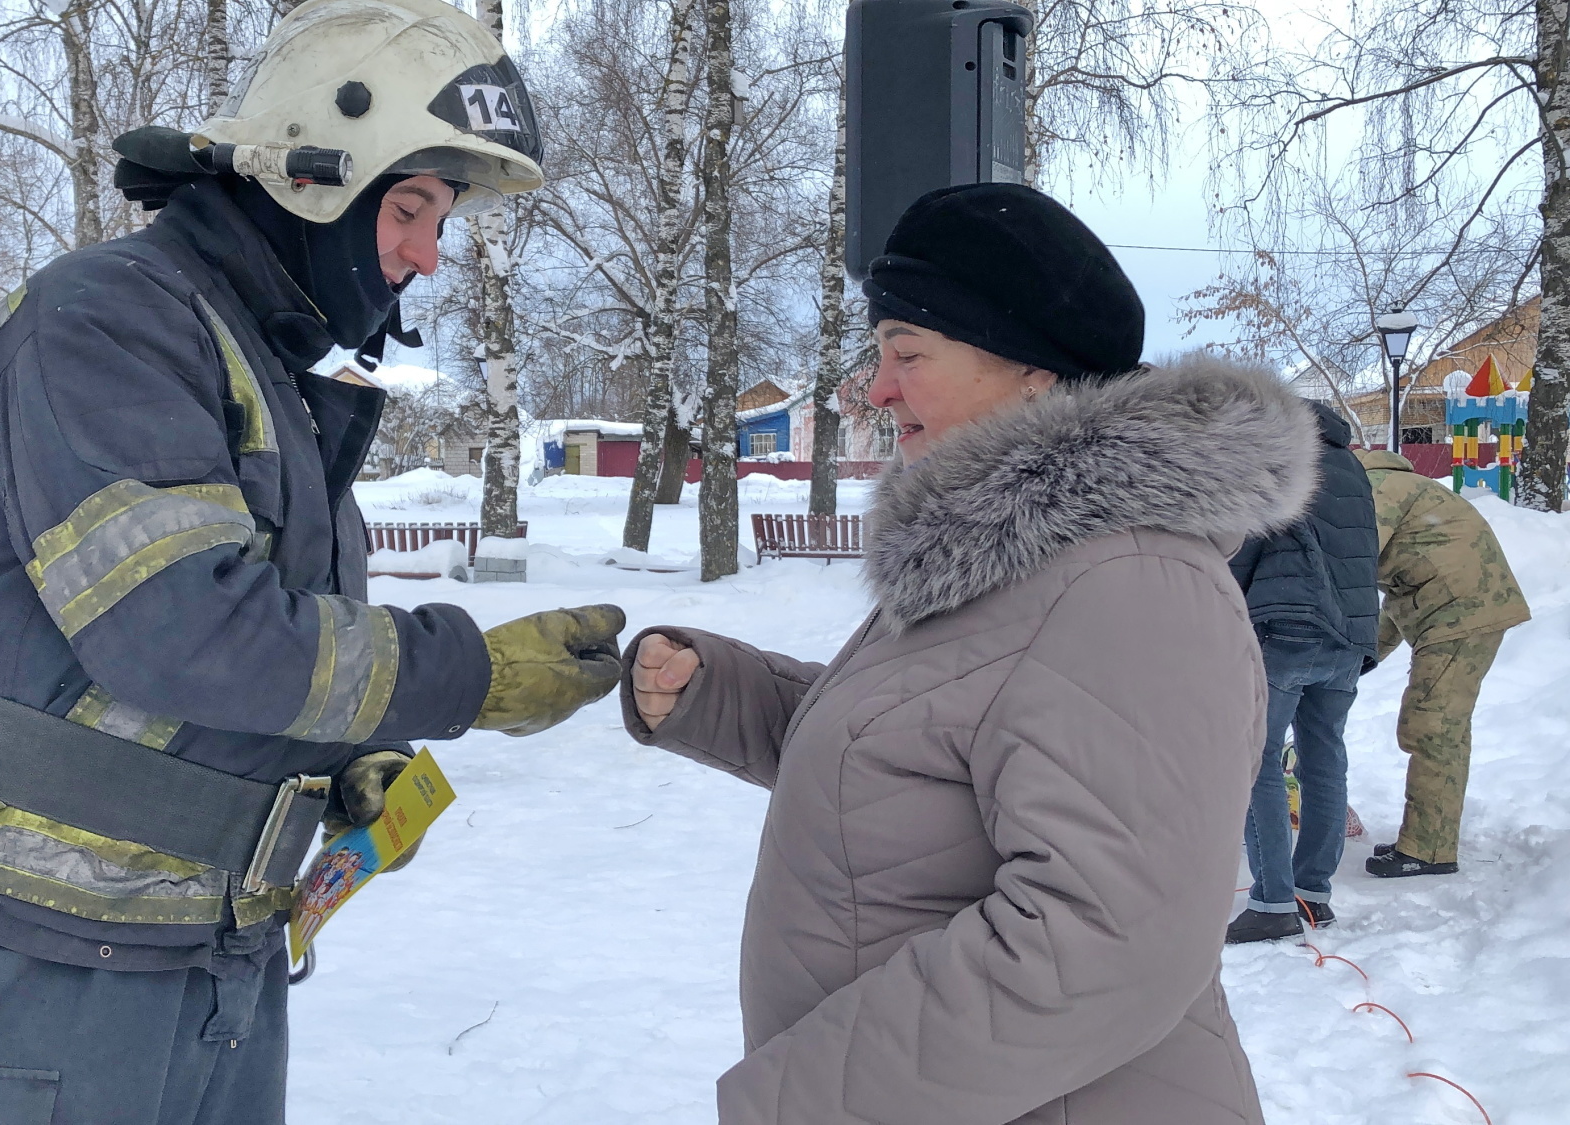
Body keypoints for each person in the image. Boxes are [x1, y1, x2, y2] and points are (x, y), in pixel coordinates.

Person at [0, 2, 624, 1121]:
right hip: (20, 967)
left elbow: (254, 648)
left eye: (438, 220)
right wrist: (470, 676)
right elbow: (183, 633)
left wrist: (342, 755)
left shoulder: (260, 366)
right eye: (410, 210)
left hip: (198, 959)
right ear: (314, 174)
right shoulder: (105, 321)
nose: (426, 258)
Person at [624, 184, 1312, 1125]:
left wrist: (804, 1101)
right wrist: (724, 695)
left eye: (909, 354)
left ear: (1032, 374)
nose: (877, 389)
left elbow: (1108, 941)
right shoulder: (1004, 559)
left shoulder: (1133, 584)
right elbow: (923, 757)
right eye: (878, 355)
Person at [1222, 401, 1380, 943]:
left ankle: (1272, 903)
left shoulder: (1281, 459)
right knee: (1323, 757)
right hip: (1349, 635)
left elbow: (1242, 549)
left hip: (1287, 627)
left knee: (1257, 758)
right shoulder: (1353, 467)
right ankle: (1313, 895)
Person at [1355, 449, 1529, 877]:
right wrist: (1362, 654)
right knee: (1441, 727)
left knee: (1432, 727)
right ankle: (1430, 838)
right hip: (1459, 607)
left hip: (1461, 612)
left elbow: (1350, 567)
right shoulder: (1391, 485)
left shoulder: (1375, 491)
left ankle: (1427, 851)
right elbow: (1402, 587)